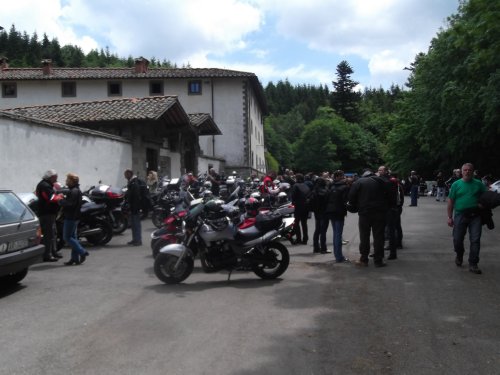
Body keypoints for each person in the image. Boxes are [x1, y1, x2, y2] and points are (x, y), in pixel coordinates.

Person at [447, 163, 486, 274]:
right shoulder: (456, 184)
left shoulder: (479, 184)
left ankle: (473, 263)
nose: (467, 172)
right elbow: (450, 201)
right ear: (461, 172)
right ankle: (459, 255)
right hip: (460, 215)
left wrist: (483, 204)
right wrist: (449, 217)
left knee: (475, 240)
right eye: (465, 170)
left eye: (469, 170)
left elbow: (486, 197)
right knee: (457, 239)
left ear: (473, 172)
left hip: (475, 216)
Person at [348, 168, 391, 267]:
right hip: (380, 213)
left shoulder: (358, 182)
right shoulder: (382, 181)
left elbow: (351, 197)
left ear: (363, 174)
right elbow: (390, 196)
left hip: (364, 213)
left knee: (364, 236)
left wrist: (356, 206)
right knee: (379, 237)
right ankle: (378, 260)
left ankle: (364, 259)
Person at [58, 173, 88, 265]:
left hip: (71, 217)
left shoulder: (74, 191)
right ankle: (74, 259)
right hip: (74, 216)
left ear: (72, 181)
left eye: (67, 179)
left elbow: (70, 204)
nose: (66, 181)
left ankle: (82, 252)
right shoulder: (74, 190)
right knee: (73, 237)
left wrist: (60, 200)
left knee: (67, 237)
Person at [35, 169, 62, 262]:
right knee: (48, 235)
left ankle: (53, 252)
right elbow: (51, 198)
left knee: (53, 234)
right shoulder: (45, 185)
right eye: (55, 177)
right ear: (51, 177)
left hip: (50, 213)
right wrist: (61, 196)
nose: (56, 178)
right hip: (47, 213)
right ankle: (47, 255)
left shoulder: (47, 184)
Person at [325, 170, 350, 262]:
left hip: (330, 211)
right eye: (342, 176)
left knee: (336, 233)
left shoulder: (330, 186)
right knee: (338, 234)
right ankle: (339, 257)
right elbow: (346, 200)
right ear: (340, 177)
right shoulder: (344, 187)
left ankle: (337, 256)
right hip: (339, 212)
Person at [310, 177, 330, 253]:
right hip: (324, 212)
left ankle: (316, 247)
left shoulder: (314, 191)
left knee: (317, 230)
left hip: (316, 212)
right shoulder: (327, 191)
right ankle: (323, 248)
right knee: (323, 231)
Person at [124, 169, 143, 246]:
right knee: (133, 224)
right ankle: (135, 239)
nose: (125, 176)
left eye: (126, 174)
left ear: (130, 174)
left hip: (135, 207)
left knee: (136, 224)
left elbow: (135, 196)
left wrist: (133, 207)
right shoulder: (132, 182)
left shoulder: (134, 183)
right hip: (133, 207)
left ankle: (138, 240)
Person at [291, 173, 310, 244]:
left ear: (297, 179)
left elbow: (293, 196)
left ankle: (298, 238)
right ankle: (305, 238)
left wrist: (293, 203)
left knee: (296, 223)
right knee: (304, 223)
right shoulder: (306, 185)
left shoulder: (295, 186)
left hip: (299, 206)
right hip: (306, 206)